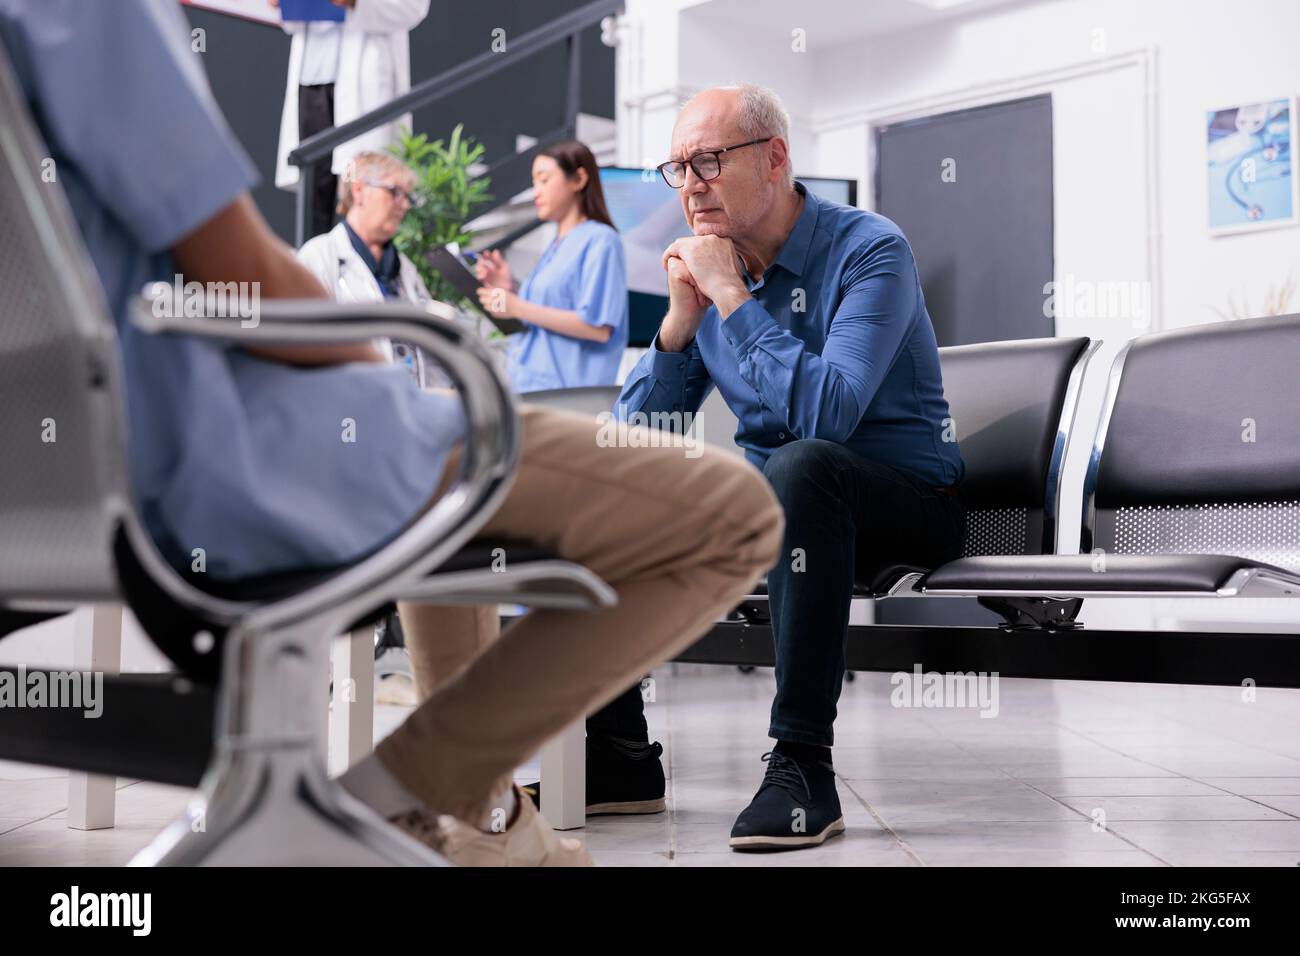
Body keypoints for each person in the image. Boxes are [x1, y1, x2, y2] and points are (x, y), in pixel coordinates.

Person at [0, 0, 783, 866]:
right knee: (733, 516)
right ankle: (394, 801)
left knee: (449, 481)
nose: (407, 204)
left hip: (49, 487)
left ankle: (479, 819)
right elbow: (239, 271)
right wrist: (381, 380)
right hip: (223, 454)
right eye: (394, 192)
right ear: (355, 194)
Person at [604, 83, 968, 851]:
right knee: (614, 486)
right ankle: (616, 755)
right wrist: (679, 324)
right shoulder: (706, 275)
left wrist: (733, 296)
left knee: (803, 465)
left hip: (900, 506)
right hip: (778, 510)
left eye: (707, 160)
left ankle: (803, 764)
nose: (691, 184)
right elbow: (637, 435)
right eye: (677, 168)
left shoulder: (870, 250)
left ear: (774, 158)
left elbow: (828, 415)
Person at [475, 141, 629, 393]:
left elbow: (598, 328)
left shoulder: (601, 240)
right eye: (534, 182)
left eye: (544, 180)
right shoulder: (557, 245)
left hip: (568, 398)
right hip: (529, 390)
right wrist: (508, 287)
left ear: (579, 179)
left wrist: (517, 306)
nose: (536, 191)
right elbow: (545, 312)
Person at [271, 0, 429, 239]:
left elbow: (413, 8)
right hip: (313, 78)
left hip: (364, 82)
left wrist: (356, 3)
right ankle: (312, 273)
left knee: (364, 197)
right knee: (313, 196)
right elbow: (291, 20)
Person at [297, 151, 430, 306]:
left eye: (407, 197)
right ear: (359, 190)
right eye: (395, 192)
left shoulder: (405, 268)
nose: (405, 205)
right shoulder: (318, 257)